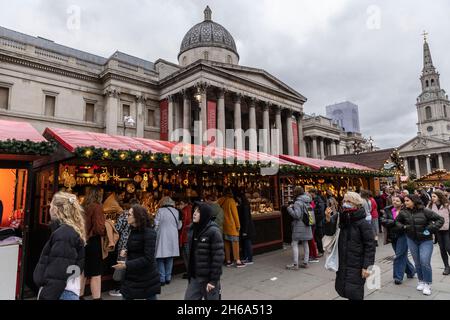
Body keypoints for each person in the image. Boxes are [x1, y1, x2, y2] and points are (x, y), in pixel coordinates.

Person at [34, 192, 86, 300]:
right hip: (65, 291)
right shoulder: (69, 231)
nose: (49, 208)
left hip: (61, 293)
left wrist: (47, 296)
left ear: (56, 209)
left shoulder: (64, 235)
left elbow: (58, 273)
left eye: (51, 205)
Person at [324, 192, 376, 300]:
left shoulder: (363, 223)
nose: (345, 203)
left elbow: (370, 246)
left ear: (356, 204)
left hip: (357, 263)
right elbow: (329, 232)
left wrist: (367, 267)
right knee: (344, 288)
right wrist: (328, 219)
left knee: (355, 292)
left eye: (348, 201)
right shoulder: (341, 217)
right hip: (343, 261)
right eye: (344, 201)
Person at [395, 194, 444, 295]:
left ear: (414, 201)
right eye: (405, 201)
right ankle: (421, 281)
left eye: (407, 200)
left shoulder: (425, 211)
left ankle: (427, 283)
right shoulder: (404, 212)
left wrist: (430, 229)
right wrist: (403, 227)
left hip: (426, 240)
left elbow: (440, 219)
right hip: (411, 240)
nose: (405, 202)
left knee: (424, 261)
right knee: (417, 262)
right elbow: (397, 222)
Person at [112, 205, 161, 300]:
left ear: (137, 217)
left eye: (129, 214)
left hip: (146, 276)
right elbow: (137, 249)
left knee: (150, 296)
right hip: (133, 275)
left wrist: (126, 265)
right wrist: (127, 252)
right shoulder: (133, 230)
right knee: (127, 295)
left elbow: (148, 258)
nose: (127, 217)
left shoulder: (149, 233)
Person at [184, 203, 224, 300]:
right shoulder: (192, 230)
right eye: (194, 211)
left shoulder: (214, 231)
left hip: (208, 279)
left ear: (205, 214)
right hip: (194, 278)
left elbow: (218, 258)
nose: (194, 213)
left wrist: (213, 280)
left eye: (198, 212)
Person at [381, 195, 416, 284]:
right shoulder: (387, 209)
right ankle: (411, 271)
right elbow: (383, 220)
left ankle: (398, 277)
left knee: (399, 255)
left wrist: (400, 225)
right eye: (394, 200)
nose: (395, 202)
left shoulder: (406, 210)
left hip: (404, 235)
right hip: (393, 236)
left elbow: (409, 222)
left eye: (397, 201)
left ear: (402, 203)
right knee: (401, 254)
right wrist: (394, 222)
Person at [109, 198, 139, 297]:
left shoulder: (124, 215)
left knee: (121, 264)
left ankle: (120, 288)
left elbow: (117, 228)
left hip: (124, 243)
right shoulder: (140, 215)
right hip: (136, 243)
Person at [80, 187, 106, 300]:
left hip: (82, 241)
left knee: (83, 271)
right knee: (96, 273)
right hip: (93, 242)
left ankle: (79, 296)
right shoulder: (97, 206)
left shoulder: (82, 206)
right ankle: (97, 298)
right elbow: (99, 228)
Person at [154, 196, 180, 286]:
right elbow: (179, 226)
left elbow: (156, 224)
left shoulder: (160, 211)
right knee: (170, 257)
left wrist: (154, 232)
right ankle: (168, 278)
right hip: (173, 236)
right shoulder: (176, 211)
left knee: (160, 257)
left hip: (162, 236)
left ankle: (162, 278)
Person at [286, 187, 313, 270]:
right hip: (307, 224)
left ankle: (295, 264)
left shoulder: (298, 202)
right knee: (305, 243)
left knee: (294, 243)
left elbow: (297, 215)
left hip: (299, 225)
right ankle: (306, 262)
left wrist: (289, 208)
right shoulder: (308, 201)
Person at [217, 189, 246, 268]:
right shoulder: (231, 201)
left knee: (226, 243)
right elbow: (235, 215)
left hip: (223, 225)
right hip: (231, 225)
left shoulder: (219, 200)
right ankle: (237, 260)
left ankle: (228, 261)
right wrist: (238, 225)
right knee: (235, 243)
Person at [428, 190, 450, 275]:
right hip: (437, 230)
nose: (432, 198)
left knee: (448, 247)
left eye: (434, 196)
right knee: (442, 249)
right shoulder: (430, 206)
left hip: (447, 229)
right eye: (432, 196)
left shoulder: (447, 205)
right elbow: (427, 217)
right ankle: (446, 267)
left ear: (439, 197)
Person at [236, 193, 256, 264]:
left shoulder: (244, 206)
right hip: (247, 228)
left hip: (247, 228)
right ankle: (247, 257)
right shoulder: (245, 205)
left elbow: (246, 219)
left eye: (238, 198)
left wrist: (245, 231)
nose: (237, 200)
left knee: (247, 243)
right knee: (246, 243)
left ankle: (249, 259)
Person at [177, 198, 193, 279]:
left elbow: (183, 225)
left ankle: (189, 272)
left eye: (181, 203)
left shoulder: (185, 211)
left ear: (185, 203)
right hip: (189, 236)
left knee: (187, 255)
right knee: (188, 255)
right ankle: (190, 271)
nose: (180, 205)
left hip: (185, 236)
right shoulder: (191, 209)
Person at [309, 189, 325, 258]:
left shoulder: (318, 200)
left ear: (313, 193)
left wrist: (312, 210)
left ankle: (321, 251)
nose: (310, 194)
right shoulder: (315, 200)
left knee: (319, 237)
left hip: (318, 222)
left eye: (310, 193)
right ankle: (318, 251)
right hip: (316, 221)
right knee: (316, 237)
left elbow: (321, 211)